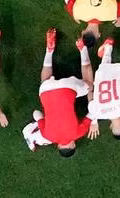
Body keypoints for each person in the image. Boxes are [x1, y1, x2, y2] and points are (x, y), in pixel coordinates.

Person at [22, 28, 92, 157]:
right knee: (44, 81)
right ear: (58, 146)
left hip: (68, 89)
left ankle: (83, 49)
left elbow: (92, 112)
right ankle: (49, 51)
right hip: (46, 91)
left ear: (73, 145)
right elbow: (36, 113)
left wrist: (94, 123)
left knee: (89, 84)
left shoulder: (78, 134)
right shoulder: (47, 135)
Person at [85, 38, 120, 140]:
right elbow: (90, 94)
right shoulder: (96, 112)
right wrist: (94, 122)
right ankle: (107, 49)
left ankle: (108, 48)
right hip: (101, 71)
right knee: (103, 76)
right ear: (110, 126)